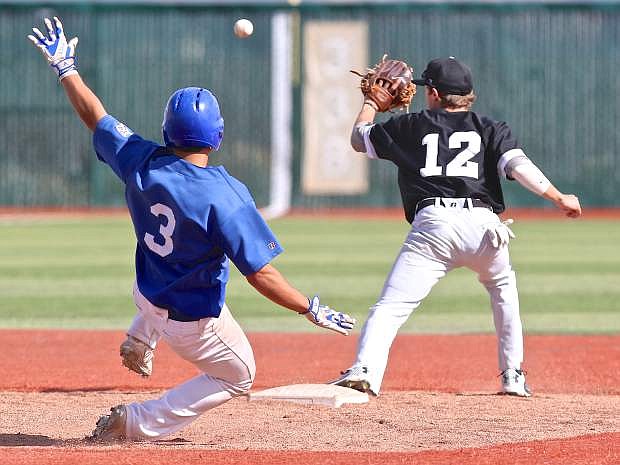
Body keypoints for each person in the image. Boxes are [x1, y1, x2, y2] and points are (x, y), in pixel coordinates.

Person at [28, 17, 355, 441]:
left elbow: (96, 116)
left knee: (168, 275)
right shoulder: (225, 195)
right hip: (190, 323)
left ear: (167, 131)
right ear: (217, 135)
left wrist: (66, 69)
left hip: (147, 294)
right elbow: (261, 273)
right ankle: (140, 421)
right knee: (240, 374)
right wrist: (309, 307)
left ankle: (140, 338)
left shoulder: (139, 158)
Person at [330, 56, 581, 398]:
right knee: (503, 292)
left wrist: (372, 103)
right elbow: (519, 167)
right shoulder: (491, 127)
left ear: (432, 92)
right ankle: (513, 375)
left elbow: (360, 138)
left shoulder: (412, 125)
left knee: (391, 306)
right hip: (485, 227)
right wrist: (557, 197)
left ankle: (365, 371)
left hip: (434, 227)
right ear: (468, 94)